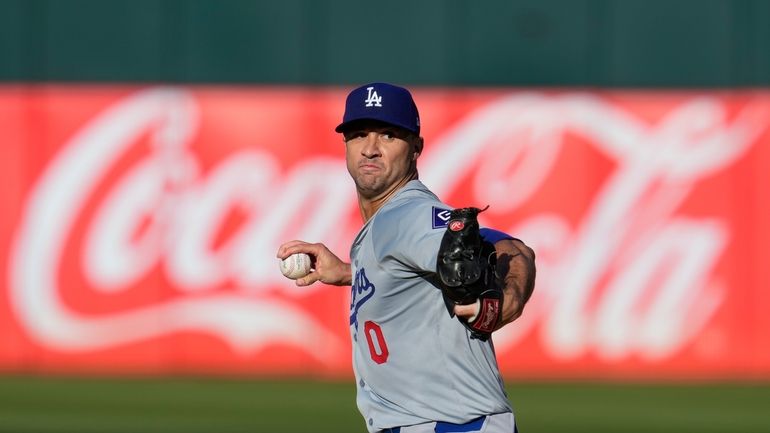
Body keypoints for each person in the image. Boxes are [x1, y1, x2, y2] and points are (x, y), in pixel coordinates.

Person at [277, 82, 536, 433]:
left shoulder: (408, 214)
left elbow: (508, 251)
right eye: (358, 135)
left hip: (453, 426)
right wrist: (350, 272)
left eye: (388, 135)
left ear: (416, 147)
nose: (370, 149)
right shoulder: (385, 226)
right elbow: (499, 247)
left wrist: (506, 300)